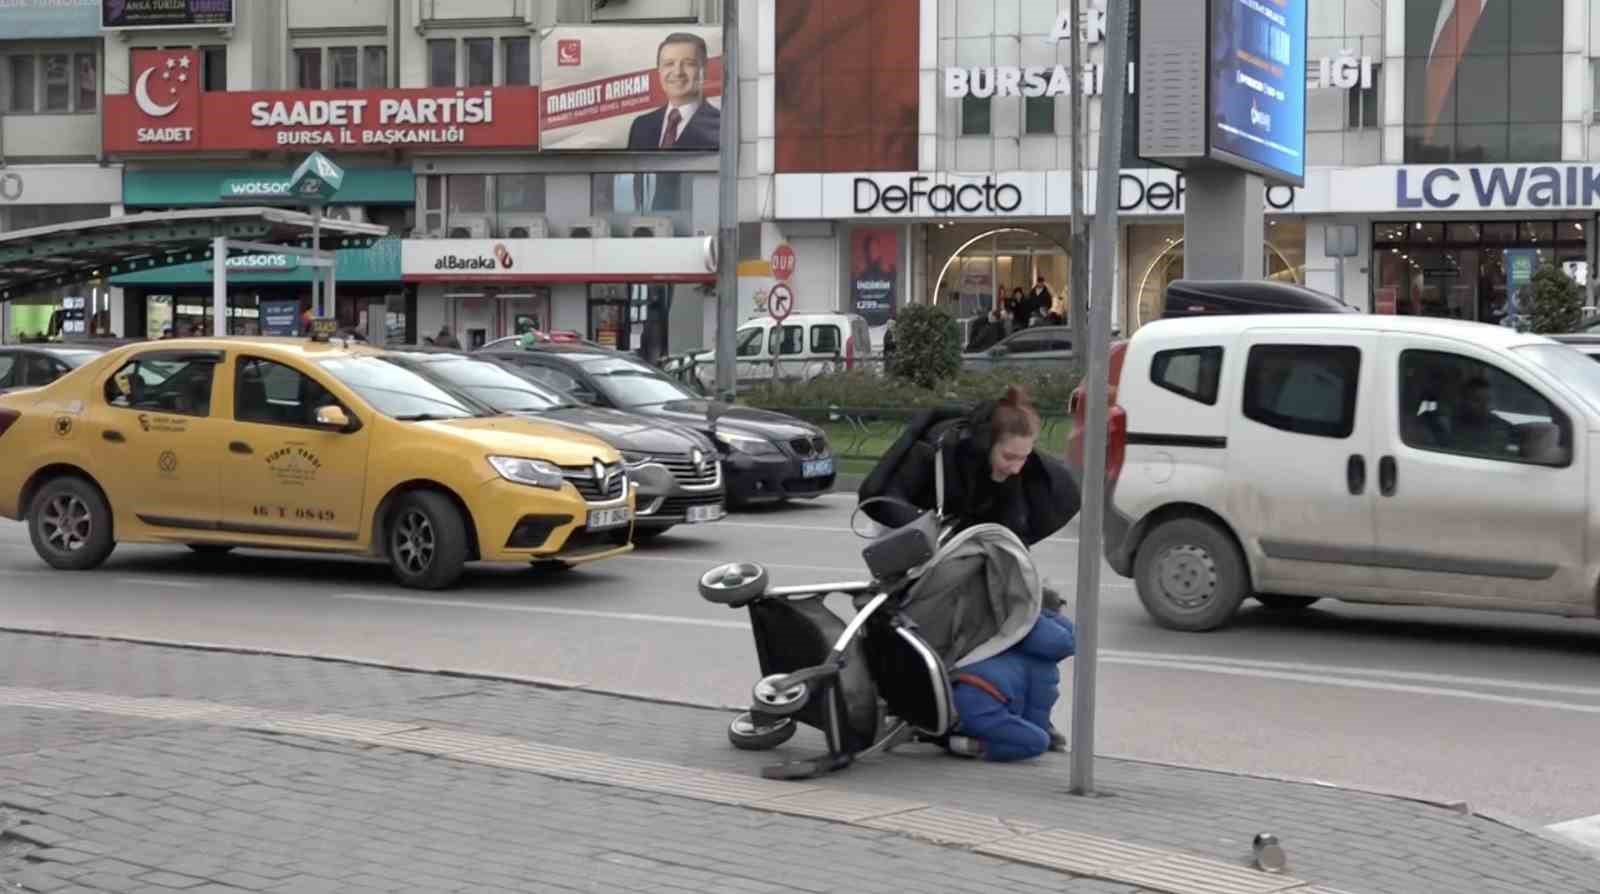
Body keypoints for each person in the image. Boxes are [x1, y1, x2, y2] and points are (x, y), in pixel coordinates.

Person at [946, 608, 1076, 761]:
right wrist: (1047, 738)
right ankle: (959, 744)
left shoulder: (1005, 640)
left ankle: (951, 730)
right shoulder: (1044, 670)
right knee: (1037, 742)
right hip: (983, 704)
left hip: (953, 689)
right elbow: (1036, 718)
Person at [627, 33, 722, 150]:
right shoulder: (641, 126)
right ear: (659, 71)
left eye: (689, 63)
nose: (678, 72)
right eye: (669, 64)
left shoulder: (721, 125)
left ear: (704, 70)